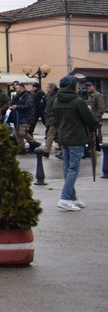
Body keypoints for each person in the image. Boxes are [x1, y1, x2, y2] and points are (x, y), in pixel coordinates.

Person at [52, 75, 99, 211]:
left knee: (67, 168)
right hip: (76, 137)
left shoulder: (56, 100)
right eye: (77, 85)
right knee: (73, 169)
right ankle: (65, 198)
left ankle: (72, 197)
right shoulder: (78, 101)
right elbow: (90, 120)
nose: (79, 88)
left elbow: (55, 118)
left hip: (63, 136)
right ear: (72, 86)